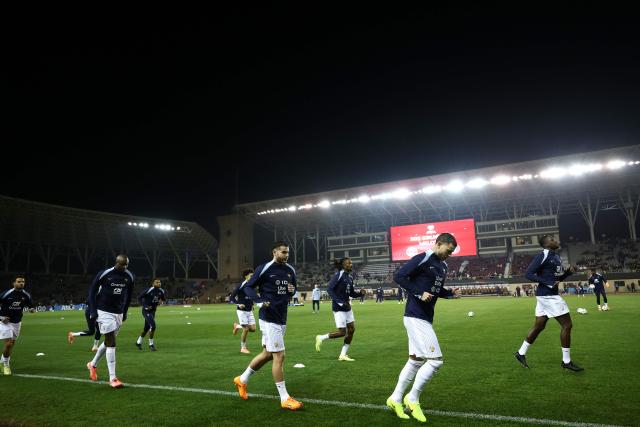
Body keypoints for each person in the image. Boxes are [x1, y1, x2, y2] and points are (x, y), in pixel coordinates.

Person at [386, 233, 461, 422]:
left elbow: (436, 291)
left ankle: (395, 398)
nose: (448, 255)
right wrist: (419, 293)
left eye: (451, 253)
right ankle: (412, 399)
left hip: (426, 317)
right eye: (448, 251)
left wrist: (450, 294)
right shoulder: (423, 258)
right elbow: (399, 276)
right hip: (415, 316)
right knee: (435, 361)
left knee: (415, 361)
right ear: (438, 243)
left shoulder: (443, 266)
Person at [233, 242, 303, 411]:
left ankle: (242, 379)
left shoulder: (290, 270)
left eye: (288, 252)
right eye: (283, 252)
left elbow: (292, 290)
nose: (286, 255)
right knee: (279, 355)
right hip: (268, 317)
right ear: (274, 252)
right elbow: (249, 287)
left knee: (268, 354)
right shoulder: (264, 268)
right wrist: (257, 301)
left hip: (281, 316)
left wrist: (291, 290)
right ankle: (284, 398)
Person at [513, 235, 583, 372]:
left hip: (545, 296)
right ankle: (566, 361)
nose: (556, 240)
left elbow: (556, 279)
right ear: (546, 244)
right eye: (552, 239)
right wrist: (547, 282)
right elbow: (528, 274)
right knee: (567, 325)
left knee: (539, 326)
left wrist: (568, 273)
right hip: (549, 296)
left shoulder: (556, 257)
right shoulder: (542, 255)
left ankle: (520, 353)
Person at [86, 254, 135, 388]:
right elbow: (92, 292)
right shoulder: (105, 274)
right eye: (122, 264)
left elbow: (129, 295)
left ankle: (92, 364)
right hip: (104, 311)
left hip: (118, 313)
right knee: (111, 342)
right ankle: (113, 378)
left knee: (108, 341)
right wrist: (93, 310)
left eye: (126, 265)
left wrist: (124, 312)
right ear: (117, 263)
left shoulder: (129, 276)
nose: (124, 267)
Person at [315, 258, 364, 361]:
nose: (351, 264)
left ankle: (343, 355)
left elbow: (351, 293)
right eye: (348, 263)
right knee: (342, 332)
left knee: (351, 330)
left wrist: (360, 293)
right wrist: (340, 302)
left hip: (347, 307)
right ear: (343, 265)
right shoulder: (339, 275)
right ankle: (321, 337)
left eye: (351, 263)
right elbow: (329, 289)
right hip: (339, 308)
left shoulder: (350, 277)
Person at [0, 275, 35, 375]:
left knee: (12, 344)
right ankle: (6, 364)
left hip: (17, 323)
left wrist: (31, 309)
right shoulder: (6, 294)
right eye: (19, 281)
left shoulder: (26, 295)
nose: (21, 283)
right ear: (14, 283)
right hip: (4, 322)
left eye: (23, 282)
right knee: (9, 343)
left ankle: (2, 360)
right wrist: (1, 317)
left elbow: (31, 306)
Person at [135, 278, 166, 351]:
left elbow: (163, 299)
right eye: (157, 282)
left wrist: (160, 302)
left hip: (153, 311)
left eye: (159, 282)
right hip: (146, 311)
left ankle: (138, 342)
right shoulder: (149, 290)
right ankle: (151, 344)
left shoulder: (161, 291)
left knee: (146, 329)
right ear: (153, 284)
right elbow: (139, 298)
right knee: (153, 326)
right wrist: (145, 306)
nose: (159, 283)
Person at [230, 269, 256, 353]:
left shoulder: (252, 285)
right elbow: (232, 297)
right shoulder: (241, 285)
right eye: (251, 276)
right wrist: (238, 304)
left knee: (253, 329)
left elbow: (251, 296)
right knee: (246, 329)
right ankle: (243, 348)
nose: (252, 277)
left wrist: (252, 304)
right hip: (242, 311)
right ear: (246, 276)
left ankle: (237, 326)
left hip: (249, 310)